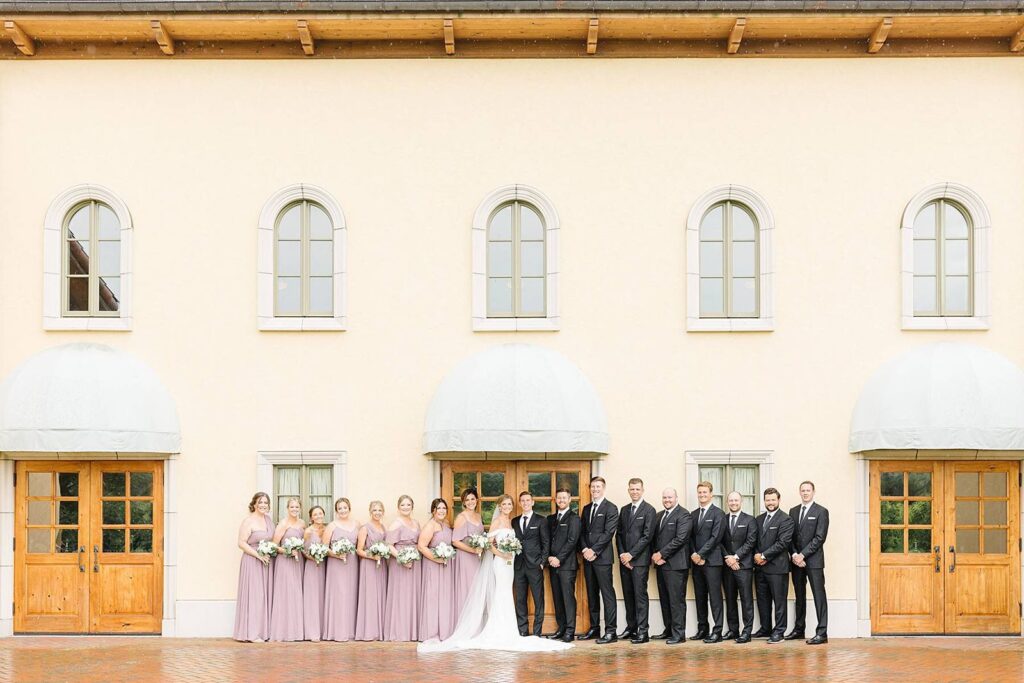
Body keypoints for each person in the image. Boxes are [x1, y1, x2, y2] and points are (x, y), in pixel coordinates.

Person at [416, 494, 572, 653]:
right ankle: (498, 629)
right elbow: (490, 545)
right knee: (501, 593)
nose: (507, 507)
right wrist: (502, 555)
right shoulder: (497, 522)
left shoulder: (513, 522)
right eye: (504, 504)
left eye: (509, 504)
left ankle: (510, 628)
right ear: (499, 506)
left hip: (511, 565)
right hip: (501, 563)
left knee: (508, 594)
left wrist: (527, 557)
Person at [787, 481, 829, 645]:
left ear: (813, 491)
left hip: (814, 561)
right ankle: (799, 629)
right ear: (799, 492)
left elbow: (820, 538)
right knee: (799, 595)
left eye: (808, 490)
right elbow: (789, 536)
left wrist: (803, 555)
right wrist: (795, 554)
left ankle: (822, 632)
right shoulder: (794, 511)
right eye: (803, 490)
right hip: (796, 561)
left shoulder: (821, 511)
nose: (805, 493)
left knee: (819, 595)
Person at [578, 476, 619, 643]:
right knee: (592, 595)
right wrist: (585, 549)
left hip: (602, 558)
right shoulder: (587, 509)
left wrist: (594, 550)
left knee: (607, 594)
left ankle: (611, 631)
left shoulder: (611, 508)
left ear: (604, 488)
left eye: (598, 486)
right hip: (588, 559)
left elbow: (608, 533)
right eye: (593, 487)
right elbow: (582, 532)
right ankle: (595, 628)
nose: (595, 489)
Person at [753, 488, 795, 643]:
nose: (770, 503)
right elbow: (754, 541)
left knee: (779, 601)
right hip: (760, 567)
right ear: (764, 501)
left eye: (773, 500)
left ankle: (779, 632)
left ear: (778, 500)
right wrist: (757, 556)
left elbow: (782, 543)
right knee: (763, 600)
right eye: (767, 500)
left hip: (777, 567)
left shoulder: (786, 520)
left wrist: (764, 556)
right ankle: (765, 628)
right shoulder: (758, 519)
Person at [617, 477, 656, 644]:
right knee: (628, 595)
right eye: (632, 489)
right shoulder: (624, 510)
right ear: (628, 490)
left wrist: (631, 555)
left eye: (637, 489)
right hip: (624, 561)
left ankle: (643, 631)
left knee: (640, 596)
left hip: (639, 561)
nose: (634, 492)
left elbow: (647, 537)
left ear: (642, 490)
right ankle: (631, 628)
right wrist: (622, 555)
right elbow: (618, 534)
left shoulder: (649, 510)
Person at [650, 487, 691, 646]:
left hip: (676, 565)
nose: (667, 500)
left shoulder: (683, 514)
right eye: (665, 497)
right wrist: (656, 555)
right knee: (665, 599)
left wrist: (662, 554)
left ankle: (679, 634)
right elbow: (654, 539)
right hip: (661, 565)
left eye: (670, 497)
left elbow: (680, 539)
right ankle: (668, 630)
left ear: (676, 497)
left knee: (676, 600)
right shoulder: (659, 515)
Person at [233, 492, 274, 642]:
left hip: (266, 561)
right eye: (260, 502)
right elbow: (241, 543)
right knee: (254, 596)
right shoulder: (248, 521)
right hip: (252, 561)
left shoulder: (269, 520)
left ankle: (263, 631)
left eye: (265, 503)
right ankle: (251, 633)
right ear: (254, 504)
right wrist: (258, 555)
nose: (263, 505)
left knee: (264, 596)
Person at [689, 481, 726, 643]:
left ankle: (717, 631)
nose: (702, 495)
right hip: (696, 562)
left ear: (711, 494)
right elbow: (689, 537)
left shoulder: (718, 513)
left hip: (712, 562)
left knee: (715, 597)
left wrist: (702, 555)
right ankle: (702, 628)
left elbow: (716, 537)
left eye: (705, 493)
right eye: (700, 493)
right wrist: (694, 555)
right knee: (700, 596)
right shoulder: (693, 514)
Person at [383, 494, 421, 641]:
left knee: (412, 595)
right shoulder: (396, 524)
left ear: (412, 507)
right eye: (403, 505)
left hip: (414, 562)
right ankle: (399, 632)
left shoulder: (416, 523)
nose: (406, 507)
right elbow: (389, 545)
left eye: (408, 505)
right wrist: (402, 559)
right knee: (401, 596)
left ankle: (412, 631)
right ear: (398, 508)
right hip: (400, 563)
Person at [417, 498, 457, 642]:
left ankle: (444, 630)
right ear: (433, 510)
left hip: (445, 565)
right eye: (439, 508)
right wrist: (437, 559)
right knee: (433, 597)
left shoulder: (445, 524)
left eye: (444, 508)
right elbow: (421, 546)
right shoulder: (430, 525)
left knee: (444, 597)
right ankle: (431, 632)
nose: (441, 511)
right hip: (433, 565)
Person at [512, 491, 550, 637]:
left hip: (535, 565)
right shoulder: (514, 521)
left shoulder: (541, 520)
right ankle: (522, 630)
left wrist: (542, 562)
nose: (525, 503)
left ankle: (537, 632)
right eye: (523, 500)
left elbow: (546, 543)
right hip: (519, 565)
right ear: (520, 503)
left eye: (528, 500)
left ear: (533, 502)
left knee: (538, 599)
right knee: (520, 599)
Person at [545, 488, 581, 642]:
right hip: (552, 564)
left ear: (569, 499)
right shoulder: (551, 519)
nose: (561, 500)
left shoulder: (574, 518)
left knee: (567, 598)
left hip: (567, 565)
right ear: (555, 499)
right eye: (559, 498)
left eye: (564, 498)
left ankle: (570, 631)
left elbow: (572, 541)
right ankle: (561, 628)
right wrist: (549, 558)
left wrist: (559, 558)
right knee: (557, 598)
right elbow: (546, 540)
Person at [721, 491, 757, 644]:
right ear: (727, 502)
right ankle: (733, 629)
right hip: (727, 566)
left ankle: (746, 632)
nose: (733, 503)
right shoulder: (722, 519)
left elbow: (751, 542)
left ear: (741, 501)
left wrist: (735, 557)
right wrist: (728, 558)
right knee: (730, 599)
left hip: (744, 566)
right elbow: (719, 541)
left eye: (736, 500)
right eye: (731, 500)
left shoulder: (750, 520)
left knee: (746, 599)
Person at [269, 497, 307, 641]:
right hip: (285, 562)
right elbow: (274, 545)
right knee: (286, 594)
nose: (294, 510)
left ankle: (295, 631)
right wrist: (287, 551)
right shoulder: (283, 524)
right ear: (287, 508)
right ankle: (282, 632)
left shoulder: (302, 523)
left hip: (298, 562)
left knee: (296, 595)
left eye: (297, 507)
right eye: (292, 507)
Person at [323, 497, 360, 642]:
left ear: (349, 509)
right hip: (336, 565)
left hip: (352, 563)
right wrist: (337, 554)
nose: (343, 510)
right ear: (336, 511)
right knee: (339, 595)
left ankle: (350, 631)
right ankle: (337, 632)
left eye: (345, 507)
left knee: (351, 594)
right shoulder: (332, 526)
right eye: (340, 508)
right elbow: (324, 548)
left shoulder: (357, 524)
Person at [354, 500, 388, 641]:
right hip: (369, 565)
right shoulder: (365, 528)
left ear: (383, 512)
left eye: (380, 510)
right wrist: (373, 556)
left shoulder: (383, 527)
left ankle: (379, 631)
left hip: (381, 566)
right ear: (370, 512)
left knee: (380, 595)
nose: (377, 513)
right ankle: (368, 631)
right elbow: (359, 550)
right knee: (370, 597)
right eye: (375, 510)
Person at [450, 488, 485, 620]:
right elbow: (455, 541)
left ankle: (475, 622)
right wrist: (473, 550)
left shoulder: (478, 516)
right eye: (467, 500)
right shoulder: (461, 517)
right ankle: (464, 622)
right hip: (465, 558)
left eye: (472, 499)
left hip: (477, 558)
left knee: (476, 590)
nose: (470, 502)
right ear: (464, 502)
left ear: (476, 500)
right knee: (467, 589)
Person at [301, 505, 328, 641]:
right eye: (315, 514)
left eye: (320, 514)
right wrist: (314, 558)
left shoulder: (327, 529)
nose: (318, 516)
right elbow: (303, 551)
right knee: (312, 598)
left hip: (324, 567)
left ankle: (323, 630)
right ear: (311, 517)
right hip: (312, 567)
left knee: (322, 597)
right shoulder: (308, 531)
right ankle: (312, 632)